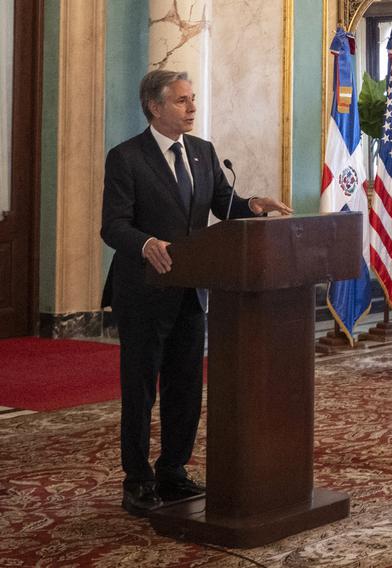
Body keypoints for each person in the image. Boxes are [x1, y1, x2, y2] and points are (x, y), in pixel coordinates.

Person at [100, 69, 293, 516]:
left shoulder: (203, 153)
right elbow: (113, 226)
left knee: (185, 386)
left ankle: (172, 471)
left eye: (192, 100)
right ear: (154, 106)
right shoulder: (126, 157)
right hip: (145, 290)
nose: (192, 108)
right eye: (182, 101)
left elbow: (223, 206)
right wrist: (147, 244)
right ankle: (137, 478)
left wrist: (253, 205)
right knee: (141, 388)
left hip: (191, 290)